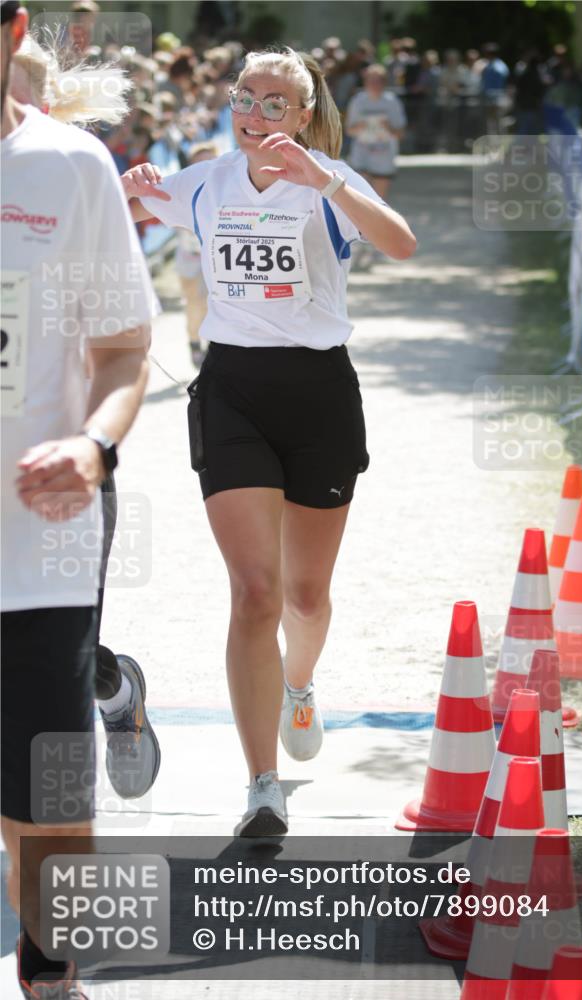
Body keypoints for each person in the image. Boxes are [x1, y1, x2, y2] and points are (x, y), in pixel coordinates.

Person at [122, 46, 416, 836]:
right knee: (255, 591)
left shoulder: (328, 180)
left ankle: (299, 683)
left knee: (304, 597)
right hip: (233, 391)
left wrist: (327, 183)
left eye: (273, 102)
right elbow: (128, 209)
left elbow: (401, 244)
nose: (254, 114)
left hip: (319, 394)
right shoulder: (208, 180)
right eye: (244, 97)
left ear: (305, 114)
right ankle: (261, 784)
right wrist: (135, 186)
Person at [1, 5, 154, 997]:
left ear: (11, 26)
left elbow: (126, 350)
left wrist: (94, 445)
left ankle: (50, 971)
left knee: (47, 804)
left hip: (38, 540)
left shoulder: (71, 166)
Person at [176, 140, 218, 367]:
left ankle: (214, 348)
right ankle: (194, 344)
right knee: (195, 304)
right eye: (200, 162)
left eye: (210, 160)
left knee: (216, 306)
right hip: (191, 260)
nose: (205, 166)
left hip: (219, 261)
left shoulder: (228, 187)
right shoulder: (182, 187)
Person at [345, 63, 406, 203]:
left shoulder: (392, 102)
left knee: (379, 202)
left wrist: (388, 127)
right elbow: (349, 130)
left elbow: (400, 133)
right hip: (361, 156)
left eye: (378, 81)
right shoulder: (357, 101)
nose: (374, 84)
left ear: (384, 83)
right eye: (370, 80)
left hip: (384, 156)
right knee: (361, 200)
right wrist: (360, 126)